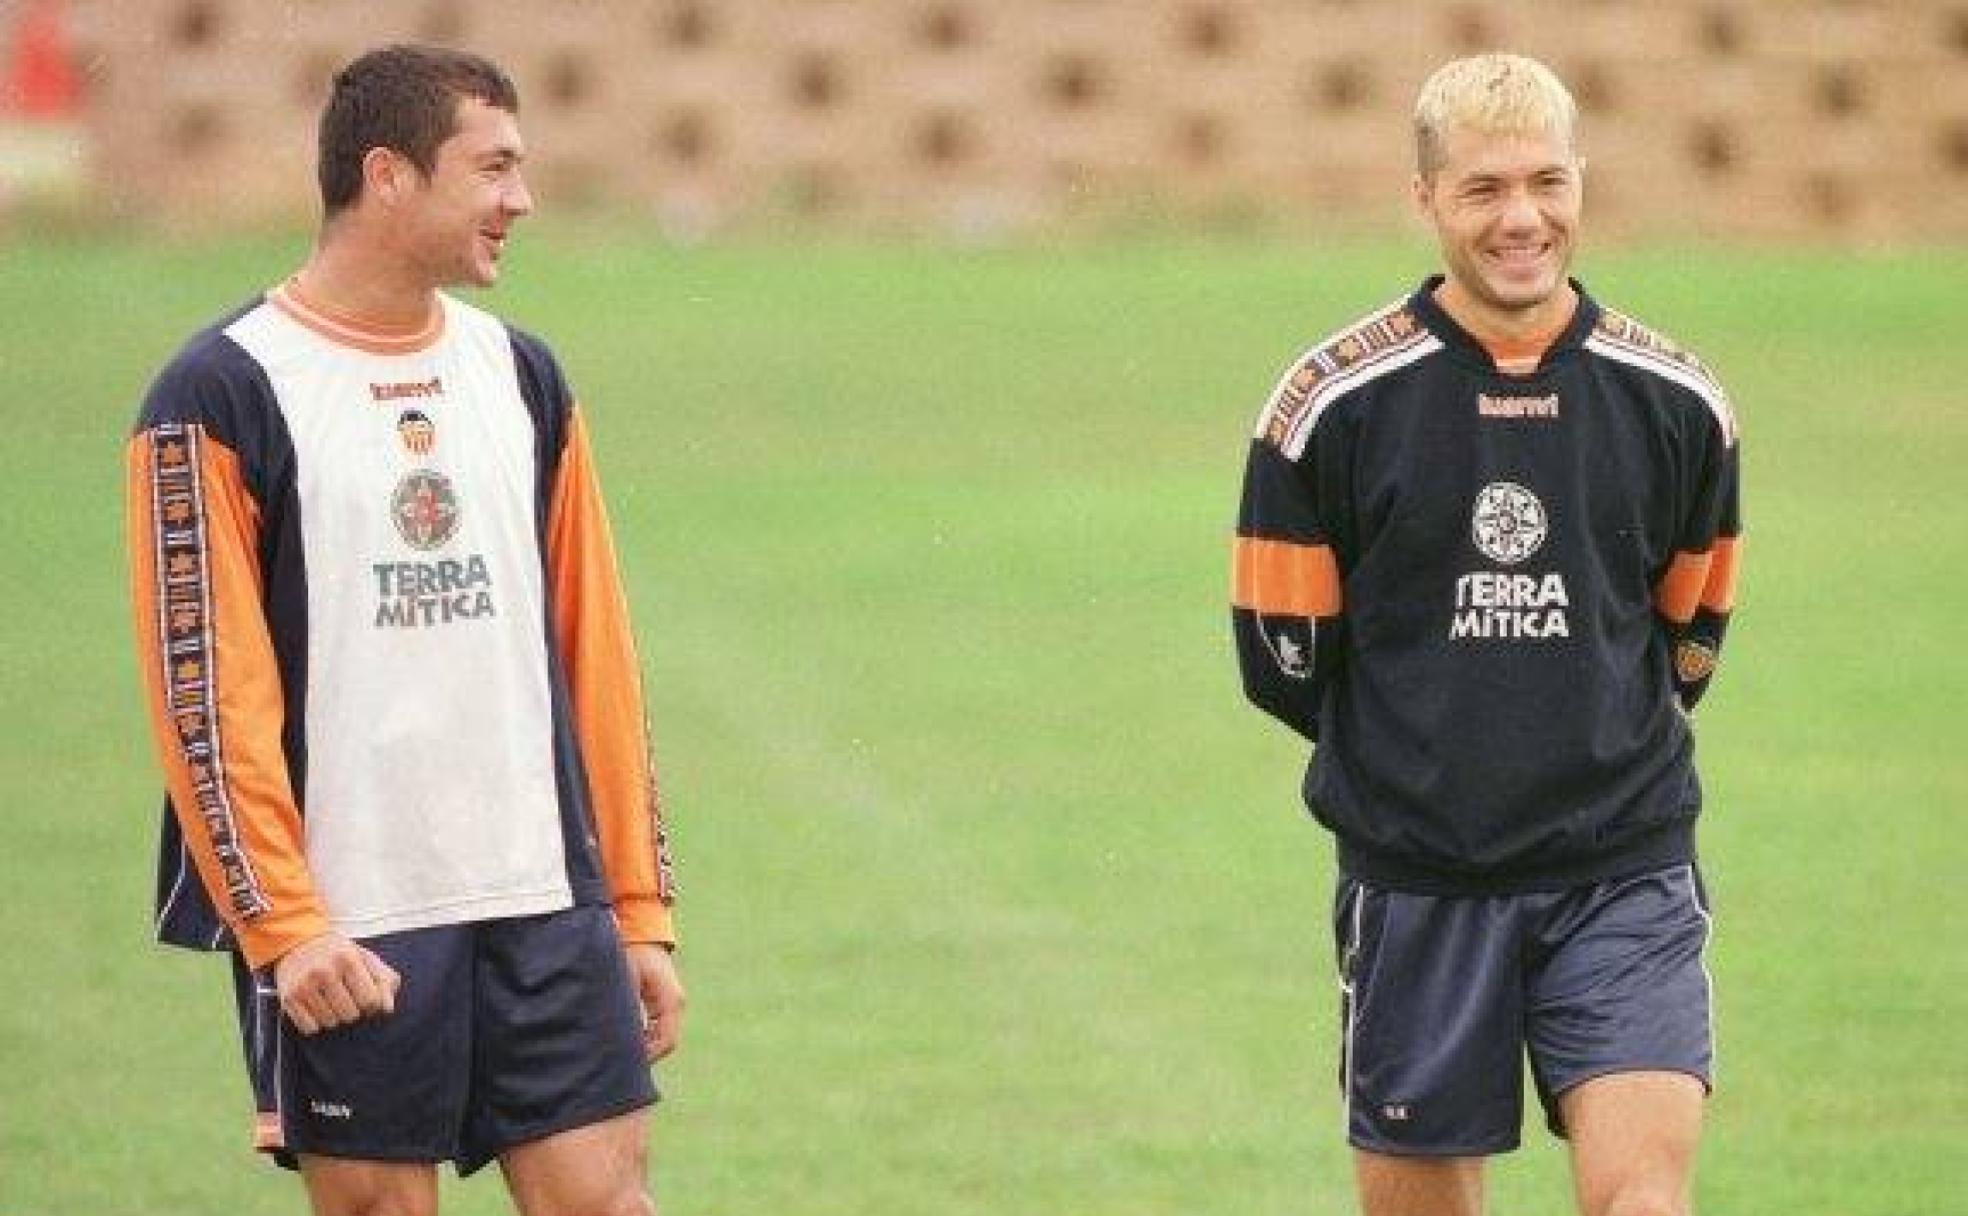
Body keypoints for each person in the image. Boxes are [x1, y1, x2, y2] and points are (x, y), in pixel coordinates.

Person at [125, 44, 683, 1215]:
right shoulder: (219, 395)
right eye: (493, 167)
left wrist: (636, 907)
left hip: (543, 888)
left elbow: (598, 654)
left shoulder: (521, 375)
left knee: (610, 1202)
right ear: (389, 176)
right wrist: (282, 923)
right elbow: (205, 691)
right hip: (354, 910)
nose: (520, 199)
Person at [1231, 53, 1740, 1216]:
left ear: (1582, 183)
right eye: (1484, 189)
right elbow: (1283, 660)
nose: (1524, 218)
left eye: (1548, 182)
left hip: (1623, 867)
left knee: (1645, 1205)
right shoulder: (1328, 408)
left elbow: (1691, 633)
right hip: (1420, 884)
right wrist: (1434, 749)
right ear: (1424, 199)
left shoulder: (1678, 403)